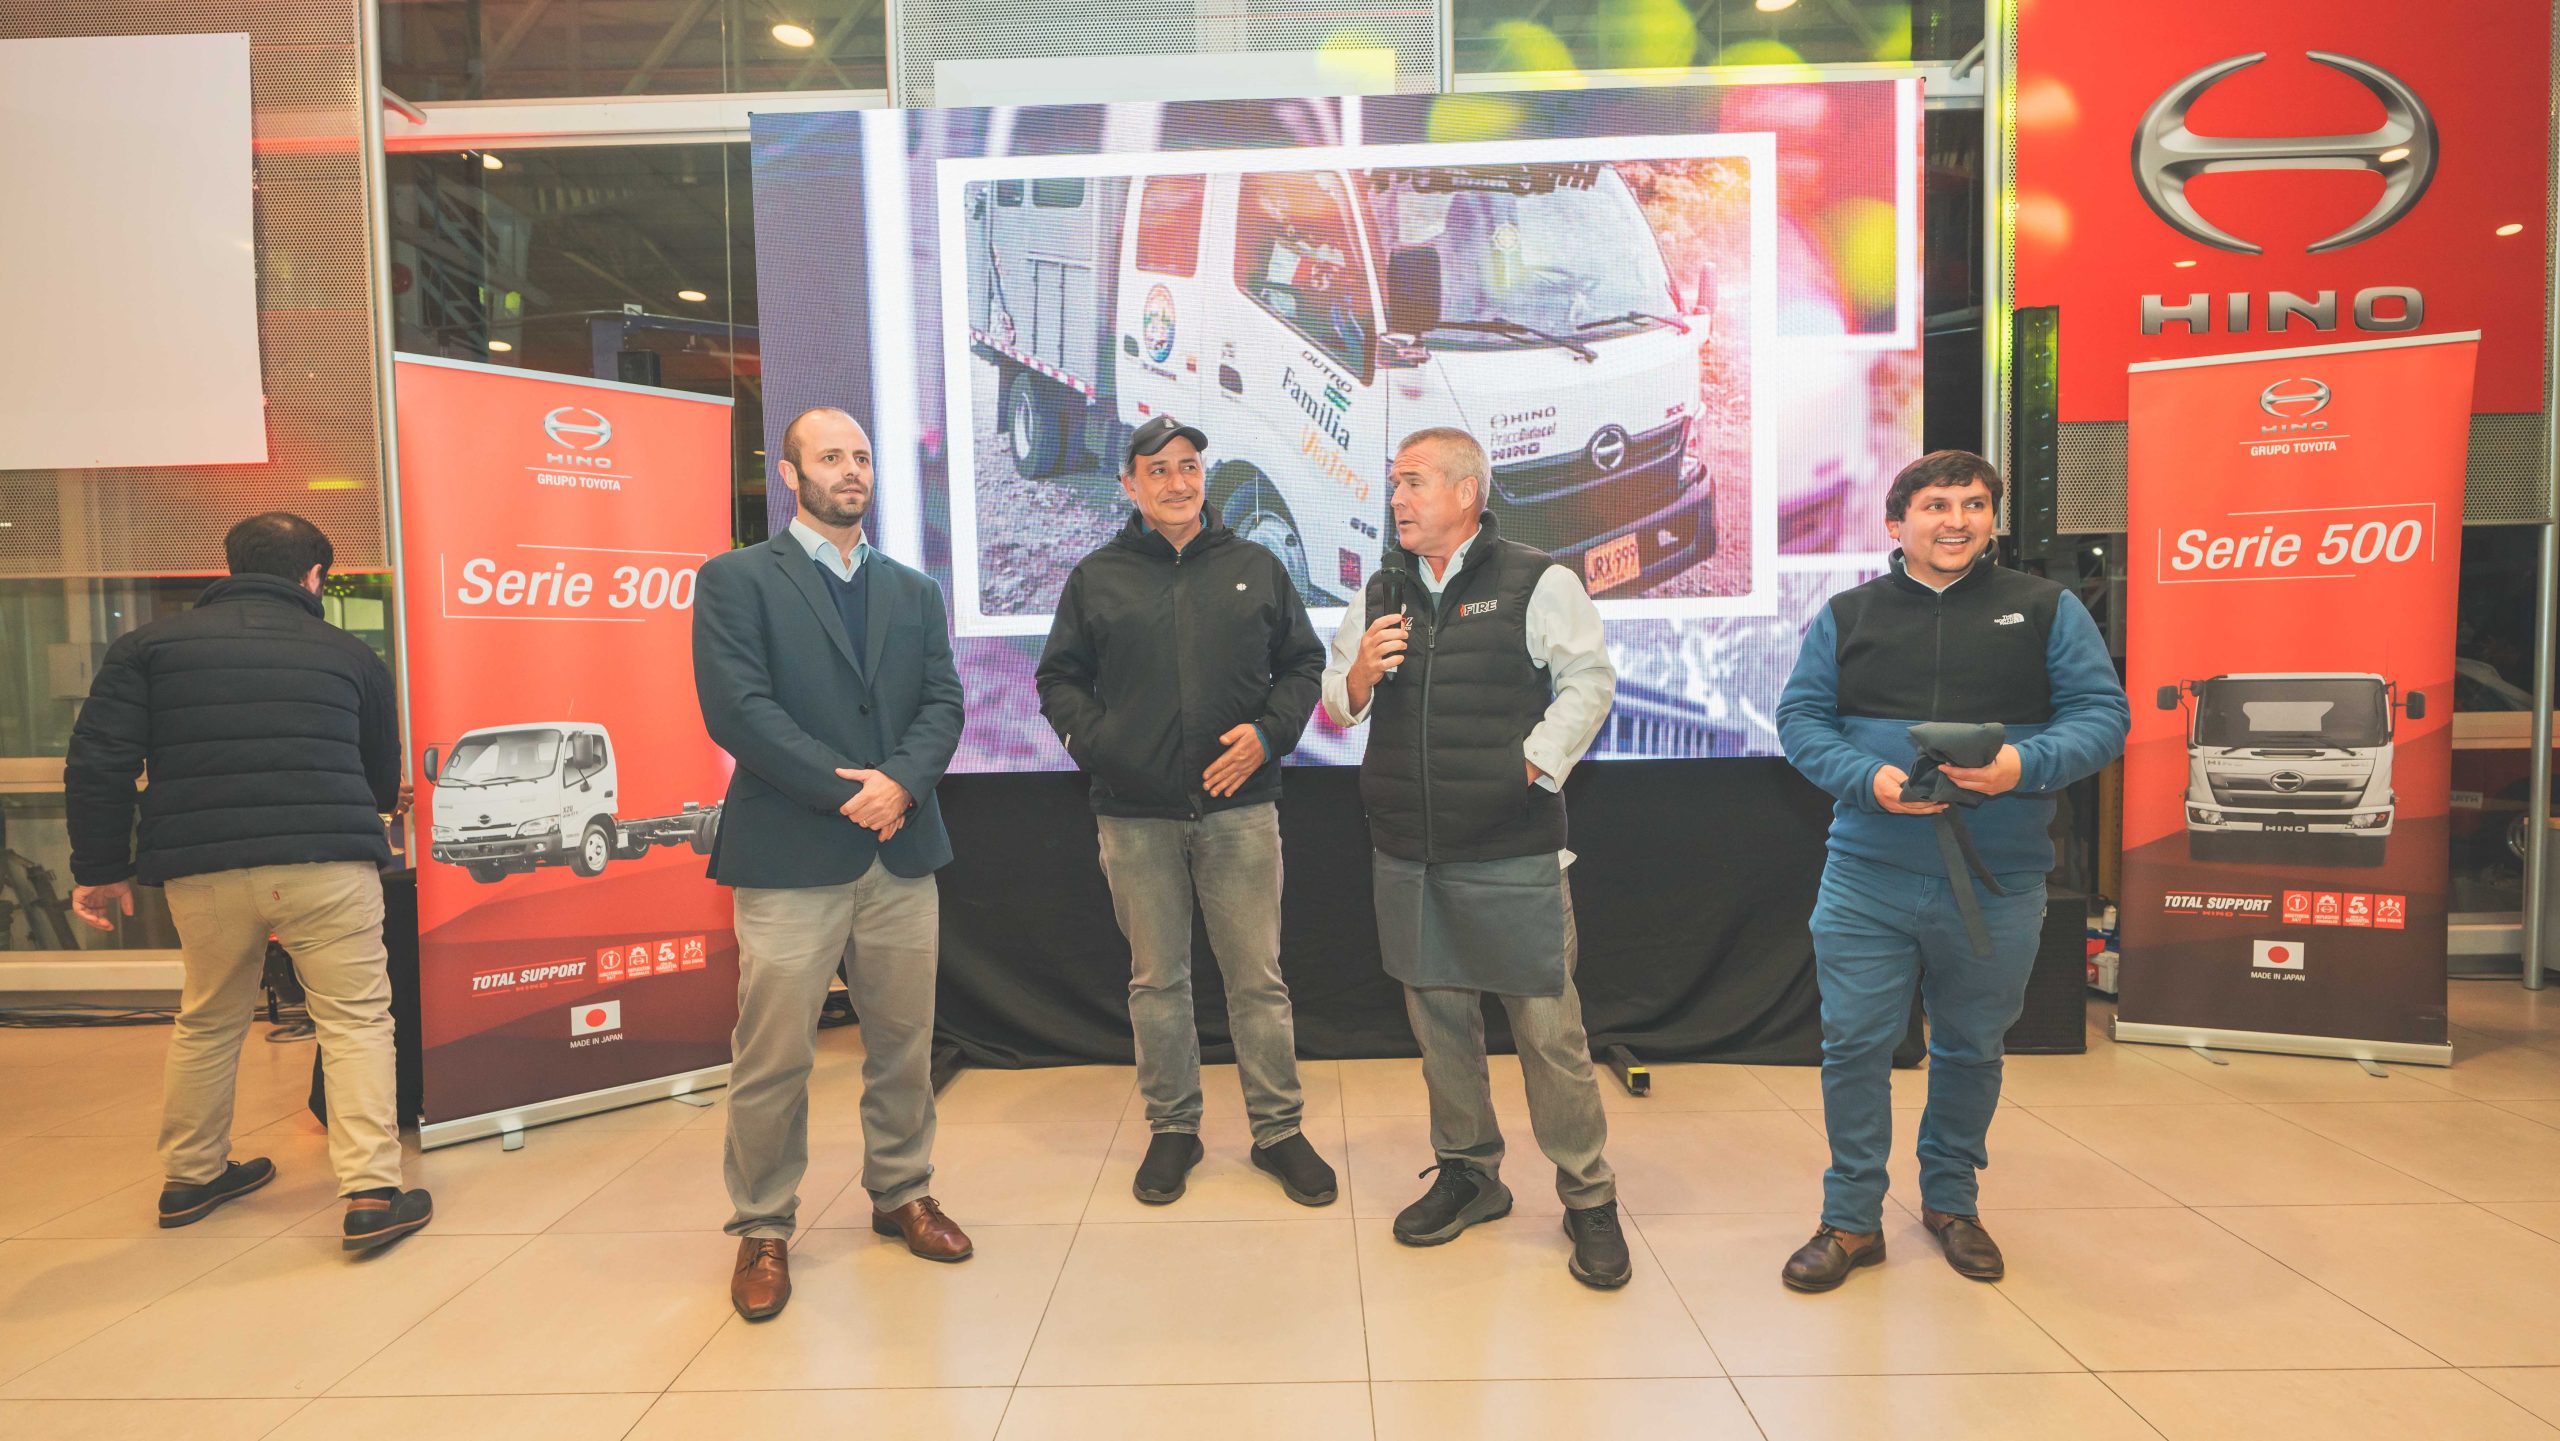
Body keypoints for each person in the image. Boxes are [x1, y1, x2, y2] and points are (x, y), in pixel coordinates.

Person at [1774, 450, 2129, 1291]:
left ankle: (1952, 1202)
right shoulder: (1848, 614)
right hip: (1867, 874)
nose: (1958, 520)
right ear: (1896, 523)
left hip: (1999, 879)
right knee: (1854, 1046)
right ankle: (1851, 1218)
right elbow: (1801, 719)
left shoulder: (2046, 609)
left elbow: (2102, 716)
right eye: (1937, 505)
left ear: (1993, 520)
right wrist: (1867, 778)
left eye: (1975, 504)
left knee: (1971, 1047)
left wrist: (2022, 765)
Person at [63, 512, 433, 1251]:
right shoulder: (348, 653)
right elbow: (378, 771)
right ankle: (370, 1195)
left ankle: (191, 1176)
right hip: (327, 864)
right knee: (356, 1020)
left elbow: (98, 761)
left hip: (202, 869)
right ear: (314, 576)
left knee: (207, 1019)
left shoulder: (148, 648)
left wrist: (101, 869)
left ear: (230, 567)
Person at [1322, 427, 1630, 1289]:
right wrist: (1360, 674)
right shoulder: (1380, 589)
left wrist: (1528, 765)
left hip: (1510, 848)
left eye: (1413, 482)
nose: (1397, 498)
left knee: (1549, 1035)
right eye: (1394, 484)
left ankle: (1589, 1195)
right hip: (1409, 851)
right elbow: (1338, 701)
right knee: (1441, 1029)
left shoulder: (1538, 579)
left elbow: (1589, 682)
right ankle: (1469, 1173)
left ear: (1466, 492)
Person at [693, 405, 970, 1322]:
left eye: (861, 456)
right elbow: (738, 709)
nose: (851, 470)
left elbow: (943, 702)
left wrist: (902, 783)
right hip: (789, 852)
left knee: (904, 1042)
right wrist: (850, 789)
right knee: (774, 1054)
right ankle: (764, 1224)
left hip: (901, 848)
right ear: (789, 473)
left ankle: (902, 1192)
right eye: (829, 456)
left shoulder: (914, 590)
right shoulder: (736, 580)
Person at [1035, 415, 1336, 1208]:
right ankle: (1174, 1127)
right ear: (1130, 485)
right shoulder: (1097, 577)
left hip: (1242, 811)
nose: (1178, 482)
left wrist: (1269, 734)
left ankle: (1278, 1130)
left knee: (1257, 981)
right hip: (1134, 817)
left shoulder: (1255, 567)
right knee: (1157, 982)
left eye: (1189, 466)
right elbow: (1058, 679)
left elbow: (1304, 664)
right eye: (1159, 469)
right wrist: (1106, 747)